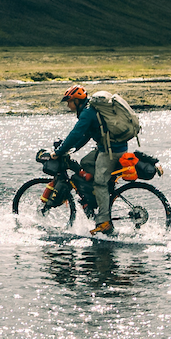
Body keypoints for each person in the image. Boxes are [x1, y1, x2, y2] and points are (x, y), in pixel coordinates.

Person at [48, 85, 127, 233]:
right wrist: (71, 149)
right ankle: (94, 200)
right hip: (111, 147)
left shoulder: (87, 113)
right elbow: (87, 135)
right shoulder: (90, 109)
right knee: (85, 162)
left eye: (69, 101)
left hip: (111, 151)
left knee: (100, 183)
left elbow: (76, 133)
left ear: (76, 101)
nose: (68, 105)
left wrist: (59, 151)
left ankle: (104, 222)